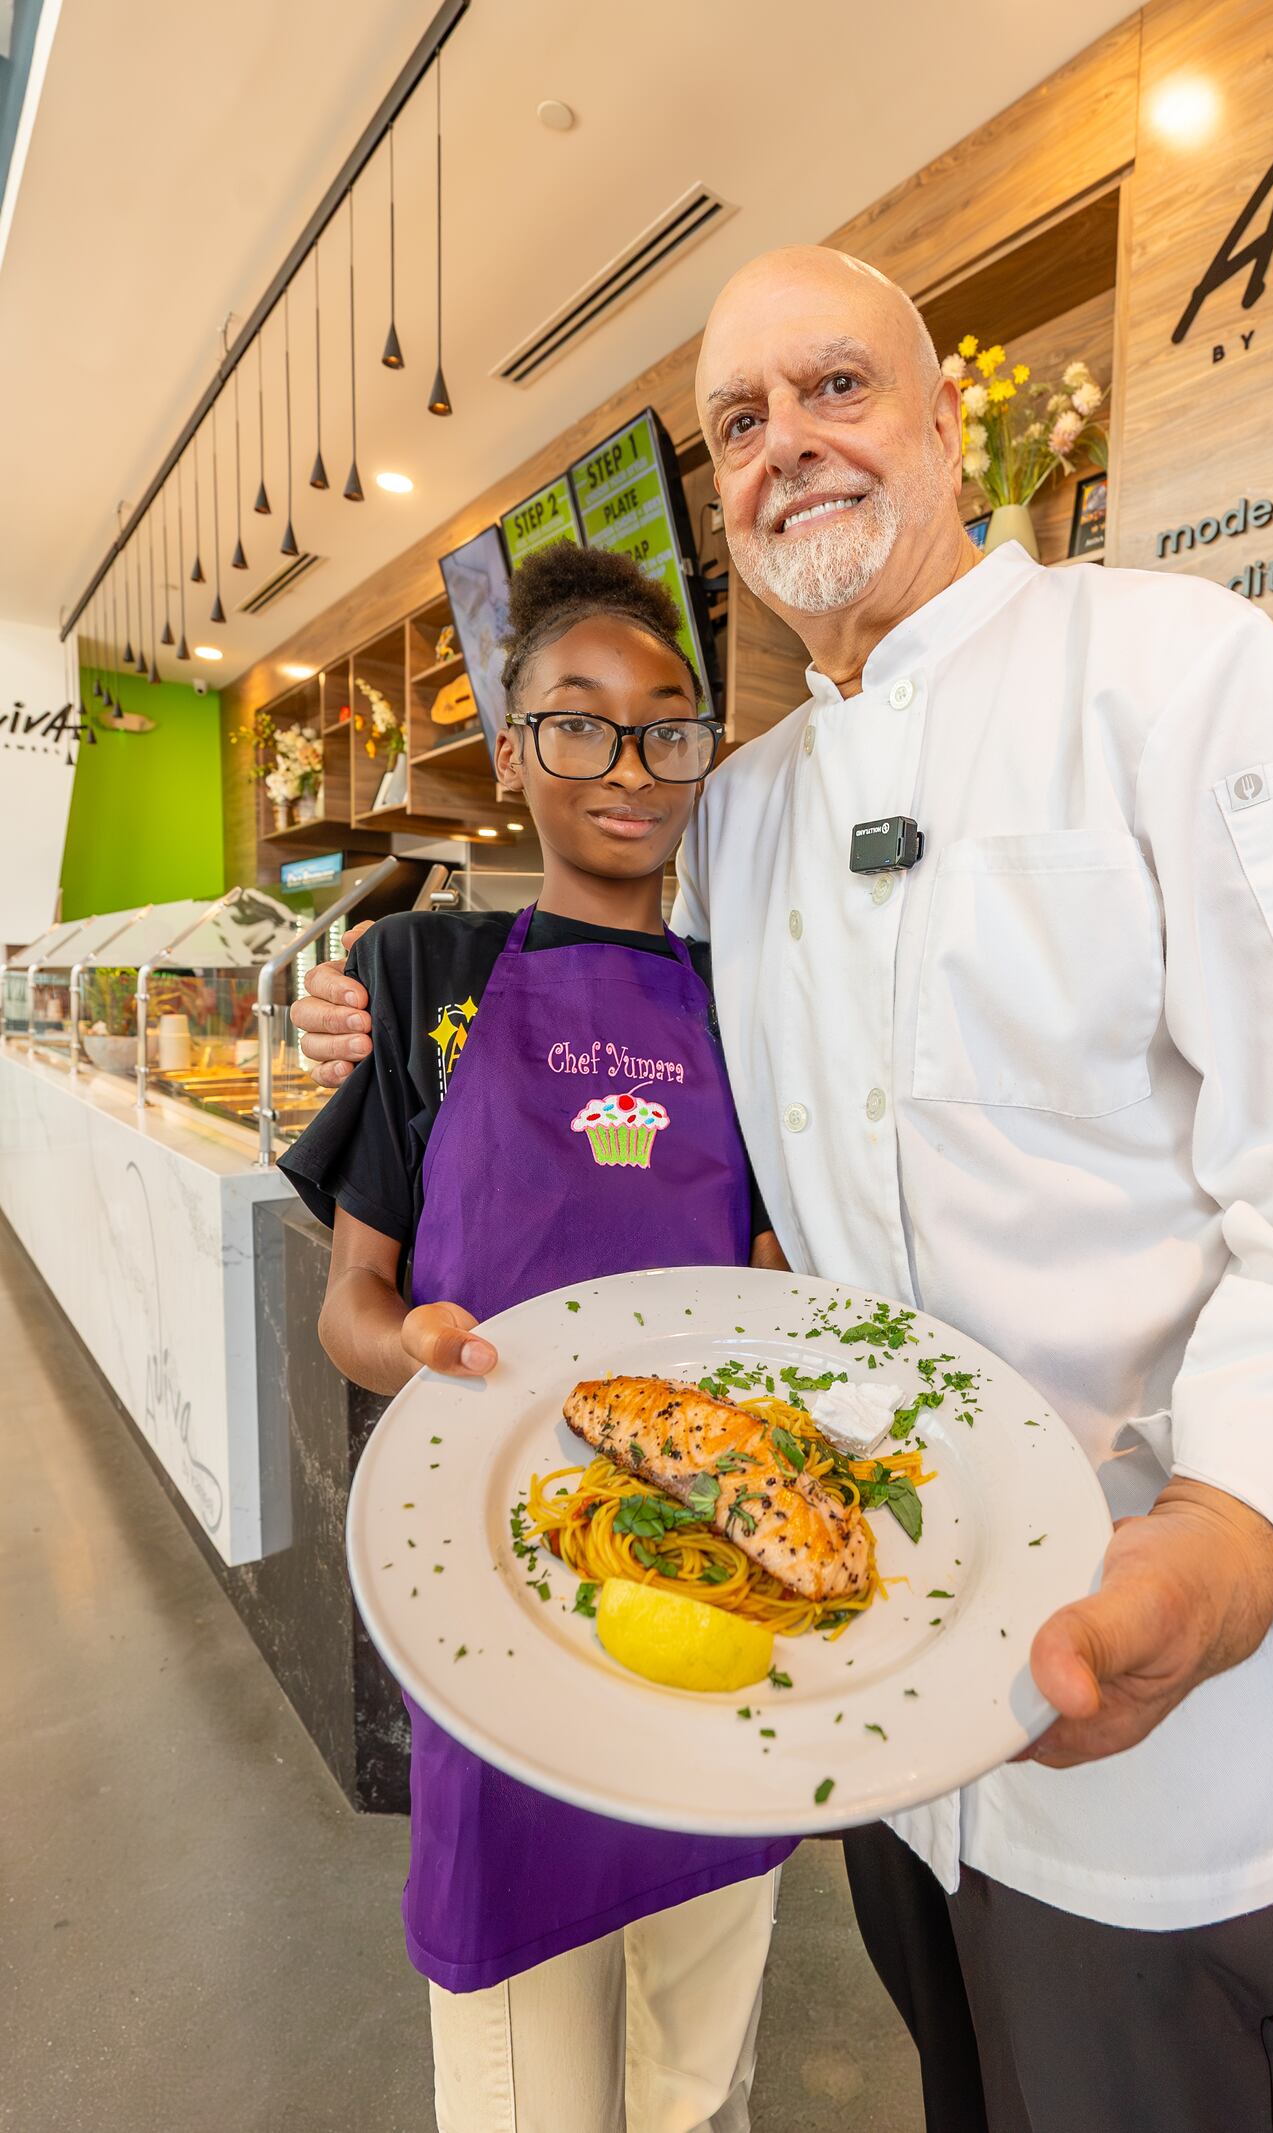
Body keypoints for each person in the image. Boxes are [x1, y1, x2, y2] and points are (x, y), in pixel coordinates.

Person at [294, 247, 1273, 2132]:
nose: (788, 445)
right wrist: (363, 1012)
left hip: (1161, 1709)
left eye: (838, 386)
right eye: (741, 422)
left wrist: (1244, 1524)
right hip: (875, 1690)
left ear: (951, 418)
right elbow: (636, 1078)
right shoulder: (751, 808)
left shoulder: (1181, 676)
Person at [279, 542, 794, 2133]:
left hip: (717, 1582)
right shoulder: (420, 971)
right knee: (522, 2092)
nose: (628, 766)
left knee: (696, 2085)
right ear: (511, 755)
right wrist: (413, 1343)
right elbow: (350, 1305)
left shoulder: (758, 1000)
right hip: (497, 1602)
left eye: (665, 725)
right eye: (577, 721)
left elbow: (784, 1280)